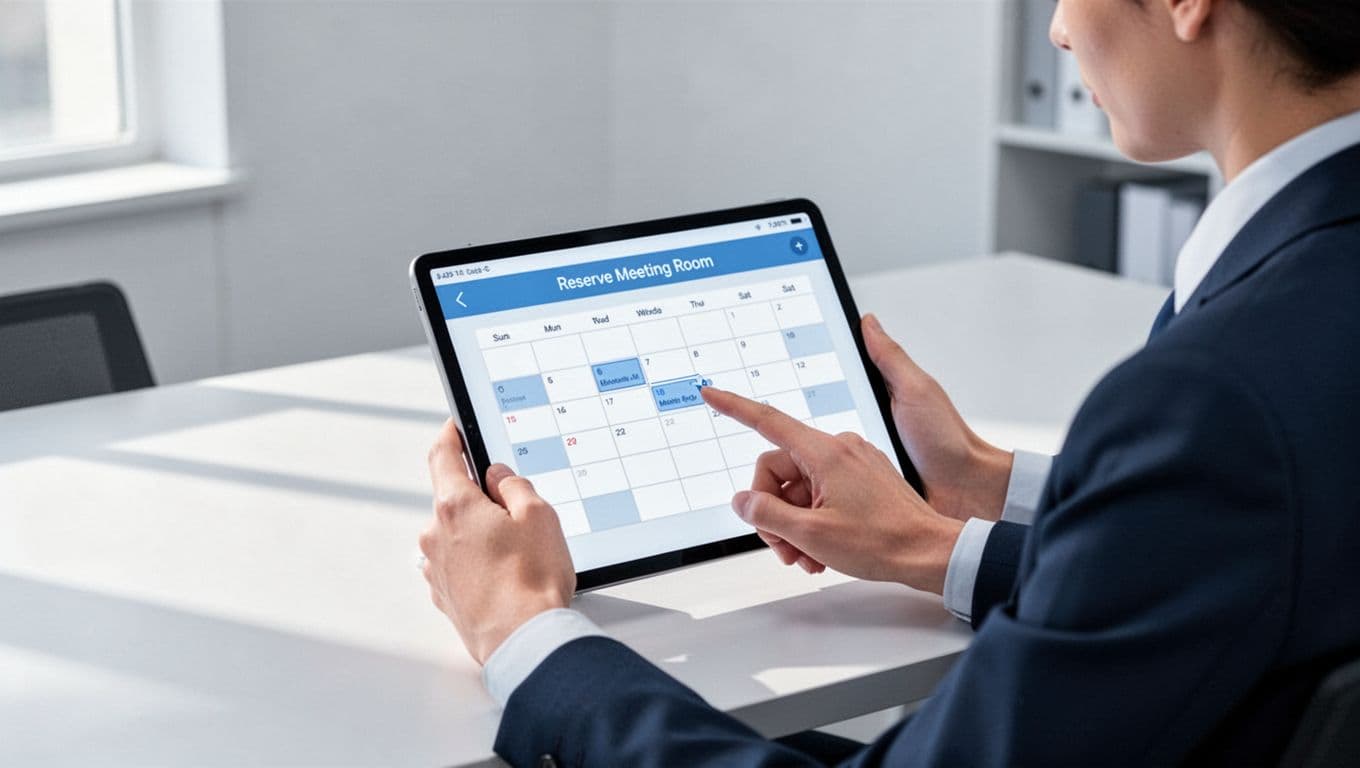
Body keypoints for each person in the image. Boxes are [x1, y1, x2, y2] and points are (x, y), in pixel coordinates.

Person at [418, 0, 1360, 764]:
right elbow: (1246, 570)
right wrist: (979, 493)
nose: (1060, 29)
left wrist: (526, 631)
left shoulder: (1212, 395)